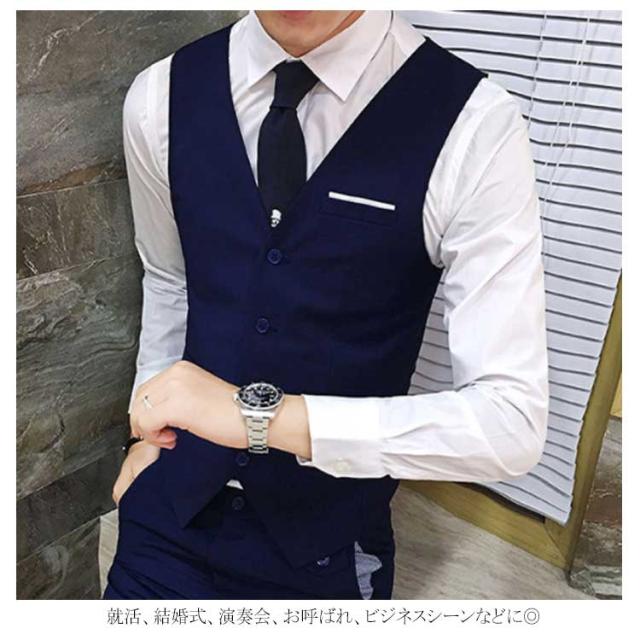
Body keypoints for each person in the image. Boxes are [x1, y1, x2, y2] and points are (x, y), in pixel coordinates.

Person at [103, 9, 549, 600]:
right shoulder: (159, 95)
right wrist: (145, 434)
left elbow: (511, 423)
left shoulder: (474, 125)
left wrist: (258, 419)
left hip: (328, 546)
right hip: (167, 515)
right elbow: (170, 278)